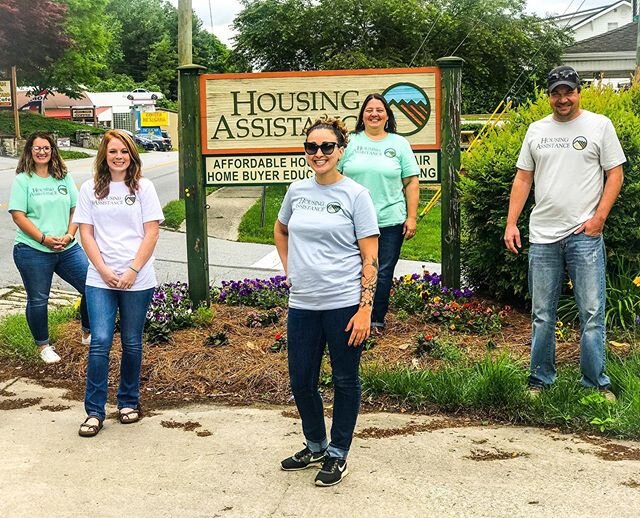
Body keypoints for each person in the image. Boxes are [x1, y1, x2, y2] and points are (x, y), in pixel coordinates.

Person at [504, 65, 625, 399]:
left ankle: (595, 382)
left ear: (578, 92)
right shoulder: (536, 130)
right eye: (556, 93)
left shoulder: (599, 125)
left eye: (568, 91)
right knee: (542, 315)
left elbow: (615, 174)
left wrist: (598, 219)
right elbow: (523, 178)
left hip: (584, 236)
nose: (562, 99)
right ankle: (540, 379)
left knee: (591, 312)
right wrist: (511, 222)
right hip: (543, 236)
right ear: (549, 95)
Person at [275, 116, 379, 486]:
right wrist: (289, 268)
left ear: (340, 150)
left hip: (343, 304)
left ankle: (338, 453)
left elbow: (370, 257)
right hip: (302, 303)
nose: (319, 153)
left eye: (327, 147)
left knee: (345, 380)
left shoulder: (356, 195)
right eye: (311, 147)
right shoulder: (297, 191)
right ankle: (315, 444)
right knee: (301, 380)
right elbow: (281, 228)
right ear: (305, 151)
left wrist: (365, 309)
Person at [73, 130, 164, 437]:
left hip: (137, 278)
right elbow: (85, 233)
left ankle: (128, 401)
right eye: (113, 152)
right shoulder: (90, 189)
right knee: (99, 341)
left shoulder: (143, 187)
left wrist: (131, 270)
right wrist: (104, 270)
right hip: (100, 278)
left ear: (132, 155)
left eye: (124, 151)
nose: (118, 157)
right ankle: (94, 411)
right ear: (104, 155)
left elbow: (151, 232)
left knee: (132, 342)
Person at [340, 93, 420, 335]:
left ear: (388, 116)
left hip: (389, 220)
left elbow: (411, 182)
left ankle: (375, 320)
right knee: (351, 269)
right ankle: (348, 315)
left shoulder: (399, 144)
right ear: (362, 115)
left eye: (380, 110)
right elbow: (334, 178)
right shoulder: (349, 142)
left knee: (382, 271)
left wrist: (412, 216)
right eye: (369, 109)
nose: (374, 113)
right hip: (350, 221)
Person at [8, 132, 90, 364]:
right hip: (32, 249)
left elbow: (77, 209)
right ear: (29, 151)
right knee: (38, 299)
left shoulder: (63, 178)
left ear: (53, 150)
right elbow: (18, 215)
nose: (42, 152)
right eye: (37, 148)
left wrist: (69, 235)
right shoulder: (23, 180)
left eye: (46, 148)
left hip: (67, 247)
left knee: (92, 286)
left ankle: (87, 332)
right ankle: (43, 345)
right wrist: (43, 239)